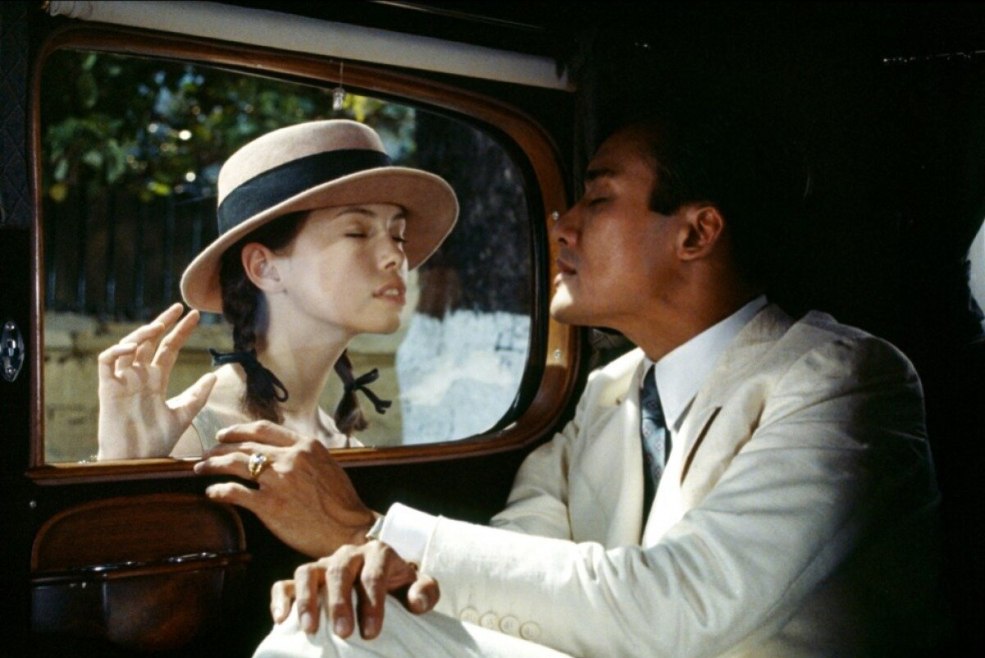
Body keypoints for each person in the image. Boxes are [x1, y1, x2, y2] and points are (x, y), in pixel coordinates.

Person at [194, 103, 943, 657]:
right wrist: (375, 573)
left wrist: (370, 529)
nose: (562, 226)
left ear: (695, 232)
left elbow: (681, 605)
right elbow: (523, 566)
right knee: (327, 626)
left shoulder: (844, 382)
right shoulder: (605, 394)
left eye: (598, 198)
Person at [96, 119, 458, 460]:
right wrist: (124, 467)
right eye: (357, 232)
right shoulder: (189, 437)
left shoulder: (342, 444)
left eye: (398, 235)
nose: (395, 256)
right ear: (264, 268)